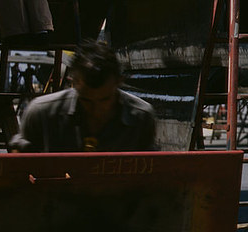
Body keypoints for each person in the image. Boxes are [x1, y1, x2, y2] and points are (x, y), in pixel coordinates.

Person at [10, 40, 156, 152]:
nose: (96, 110)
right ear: (72, 82)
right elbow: (18, 164)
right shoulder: (41, 113)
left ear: (119, 82)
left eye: (105, 100)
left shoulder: (141, 118)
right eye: (86, 100)